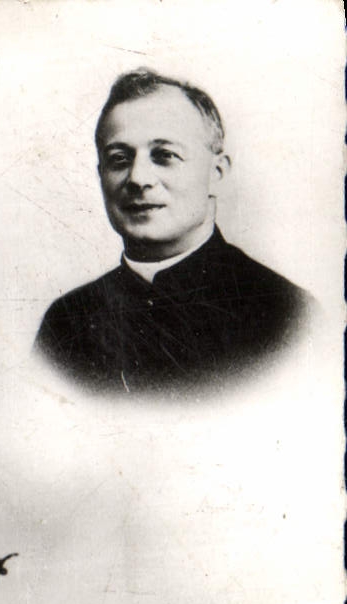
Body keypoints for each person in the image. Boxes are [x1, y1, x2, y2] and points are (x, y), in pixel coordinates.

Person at [35, 70, 313, 394]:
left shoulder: (287, 316)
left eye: (164, 156)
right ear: (101, 176)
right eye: (119, 159)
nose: (138, 178)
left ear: (217, 173)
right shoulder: (66, 322)